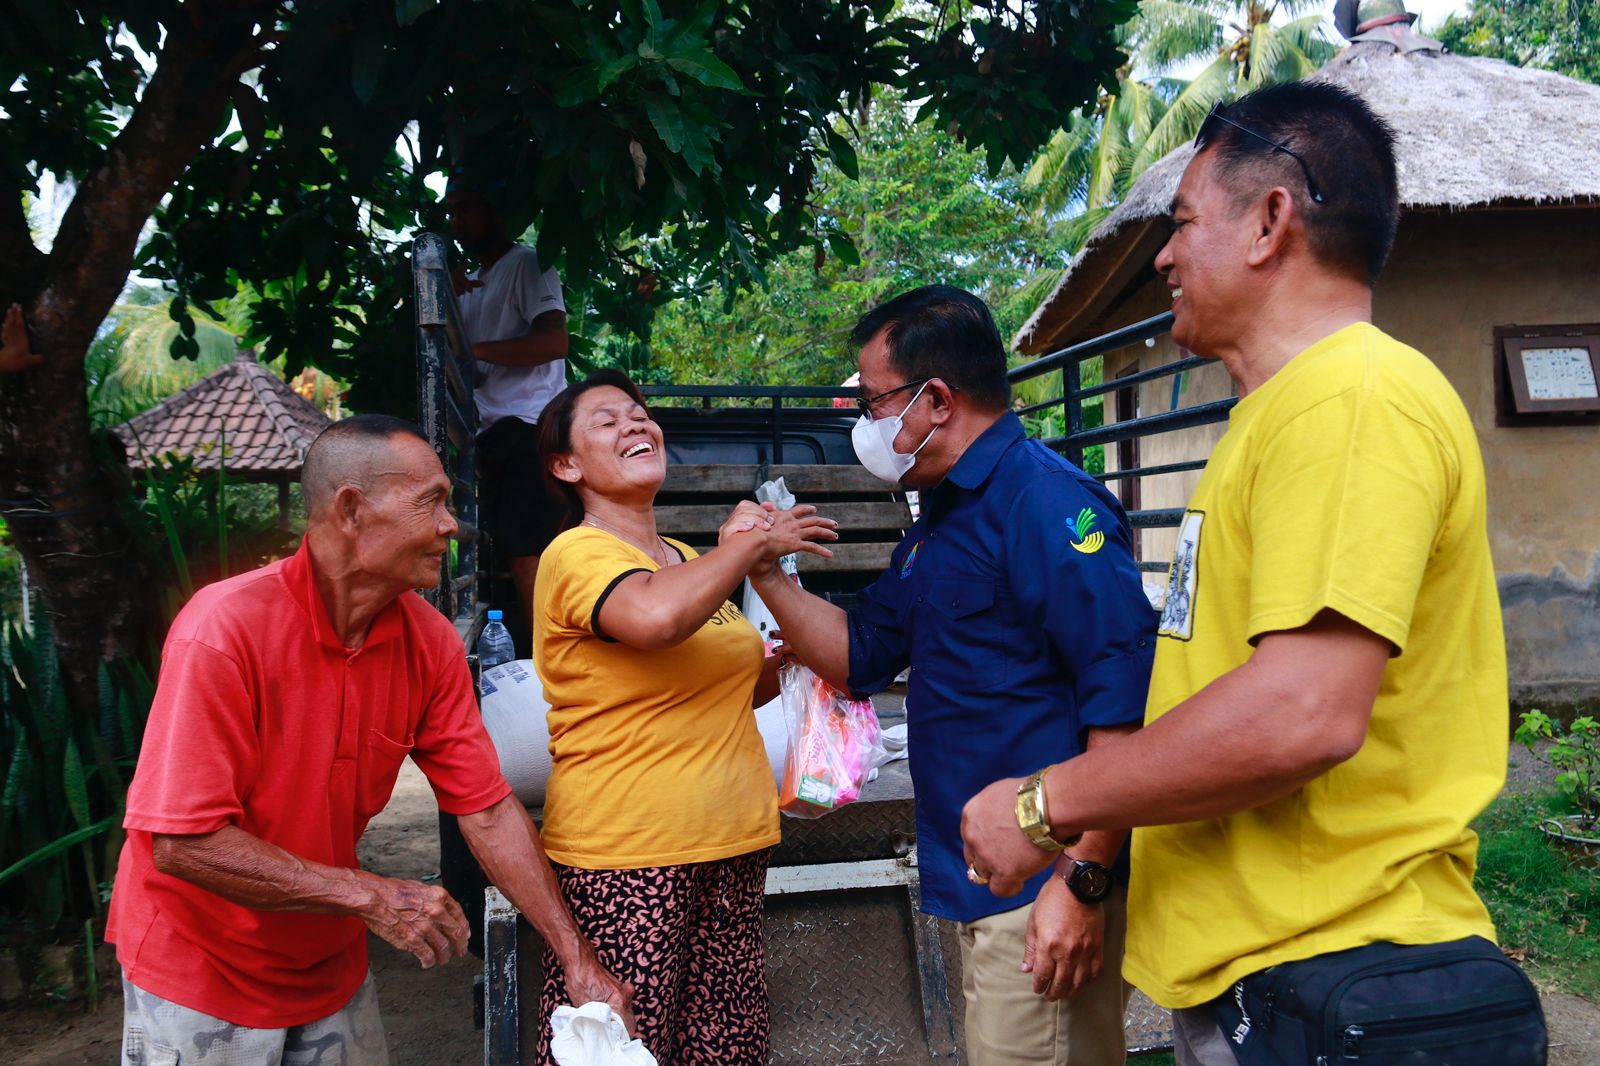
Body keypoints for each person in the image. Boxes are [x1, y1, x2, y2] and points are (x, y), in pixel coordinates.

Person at [959, 83, 1546, 1065]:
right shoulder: (1275, 421)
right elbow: (1214, 693)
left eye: (1183, 222)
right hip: (1279, 977)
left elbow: (1302, 712)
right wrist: (1093, 866)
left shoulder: (1349, 399)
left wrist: (1044, 803)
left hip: (1335, 974)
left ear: (1271, 219)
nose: (1162, 255)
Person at [107, 415, 631, 1066]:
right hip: (200, 964)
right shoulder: (223, 629)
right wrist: (370, 895)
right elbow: (182, 843)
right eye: (431, 501)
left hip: (324, 957)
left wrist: (577, 961)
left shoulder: (431, 643)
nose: (452, 525)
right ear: (350, 510)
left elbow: (488, 809)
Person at [745, 287, 1157, 1066]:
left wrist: (1084, 881)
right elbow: (862, 652)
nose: (862, 424)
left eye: (872, 402)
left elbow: (1124, 709)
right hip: (980, 879)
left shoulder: (1044, 504)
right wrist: (766, 573)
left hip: (1045, 884)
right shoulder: (943, 517)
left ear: (935, 400)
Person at [530, 370, 838, 1065]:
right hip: (629, 860)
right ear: (566, 464)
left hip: (730, 847)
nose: (636, 425)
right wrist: (744, 550)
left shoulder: (689, 562)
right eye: (608, 420)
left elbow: (725, 686)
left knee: (723, 1053)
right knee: (621, 1053)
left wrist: (797, 659)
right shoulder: (577, 553)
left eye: (640, 415)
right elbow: (655, 618)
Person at [445, 178, 570, 631]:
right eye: (451, 212)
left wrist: (473, 349)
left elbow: (555, 341)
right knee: (508, 551)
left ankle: (550, 662)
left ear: (496, 211)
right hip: (493, 432)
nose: (457, 222)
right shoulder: (473, 283)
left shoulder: (527, 263)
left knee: (527, 549)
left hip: (530, 425)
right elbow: (475, 373)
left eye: (466, 210)